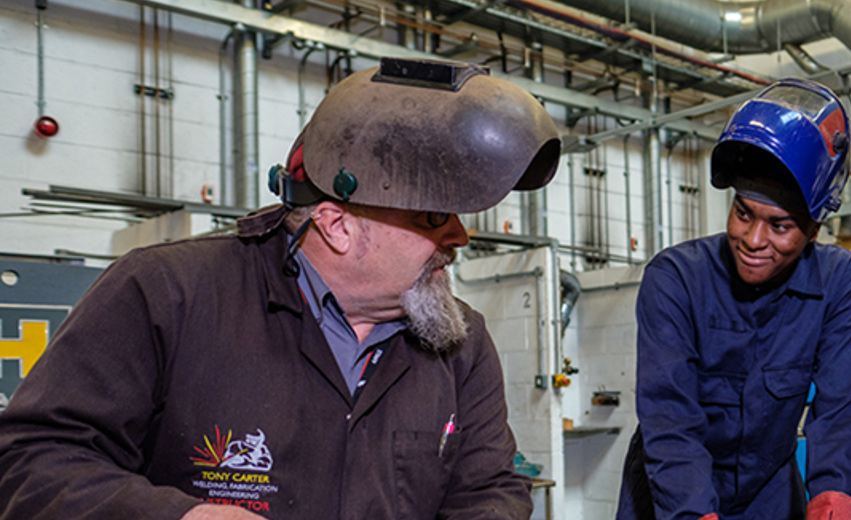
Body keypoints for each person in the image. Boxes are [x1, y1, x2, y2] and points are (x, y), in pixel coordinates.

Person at [0, 58, 562, 520]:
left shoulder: (461, 344)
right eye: (435, 217)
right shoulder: (167, 294)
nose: (460, 237)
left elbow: (489, 490)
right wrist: (179, 518)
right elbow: (31, 462)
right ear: (338, 226)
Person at [616, 79, 851, 520]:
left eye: (780, 225)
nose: (753, 239)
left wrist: (833, 491)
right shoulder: (675, 279)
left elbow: (839, 407)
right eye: (743, 212)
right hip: (674, 493)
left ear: (814, 230)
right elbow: (671, 419)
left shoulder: (839, 282)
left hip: (768, 495)